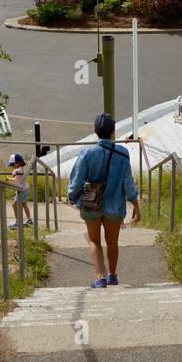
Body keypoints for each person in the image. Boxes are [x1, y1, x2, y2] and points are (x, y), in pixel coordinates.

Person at [67, 113, 141, 288]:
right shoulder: (122, 153)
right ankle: (113, 275)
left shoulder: (86, 153)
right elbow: (128, 182)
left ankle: (100, 277)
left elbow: (76, 181)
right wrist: (135, 205)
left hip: (91, 203)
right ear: (113, 131)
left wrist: (72, 196)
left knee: (94, 240)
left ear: (95, 131)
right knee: (112, 241)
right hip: (115, 206)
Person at [7, 153, 33, 230]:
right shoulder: (20, 168)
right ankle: (29, 220)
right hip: (24, 189)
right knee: (24, 204)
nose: (11, 166)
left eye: (12, 164)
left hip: (22, 190)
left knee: (14, 205)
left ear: (17, 163)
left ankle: (18, 222)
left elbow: (17, 180)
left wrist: (9, 179)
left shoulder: (19, 170)